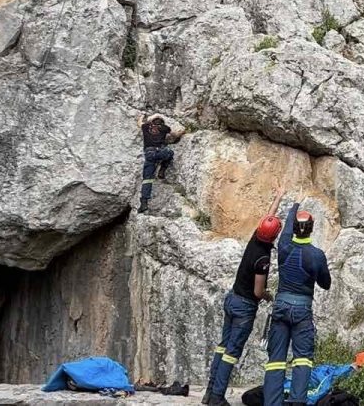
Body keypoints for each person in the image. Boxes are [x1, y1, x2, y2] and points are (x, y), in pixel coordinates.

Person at [202, 184, 287, 406]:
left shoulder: (255, 238)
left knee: (222, 346)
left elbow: (267, 218)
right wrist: (268, 296)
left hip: (232, 299)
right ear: (275, 236)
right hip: (244, 307)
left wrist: (278, 196)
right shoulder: (263, 259)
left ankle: (210, 392)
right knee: (231, 352)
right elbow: (258, 291)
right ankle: (218, 398)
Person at [263, 202, 332, 406]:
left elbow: (285, 229)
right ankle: (297, 401)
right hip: (302, 309)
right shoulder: (316, 255)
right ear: (312, 228)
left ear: (293, 228)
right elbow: (325, 284)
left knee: (275, 359)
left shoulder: (284, 246)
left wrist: (294, 206)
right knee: (303, 359)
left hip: (281, 305)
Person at [139, 113, 185, 213]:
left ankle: (144, 203)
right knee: (170, 153)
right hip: (160, 152)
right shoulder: (164, 127)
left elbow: (139, 123)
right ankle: (162, 170)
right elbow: (176, 134)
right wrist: (183, 131)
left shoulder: (146, 126)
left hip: (149, 154)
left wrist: (142, 116)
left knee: (147, 179)